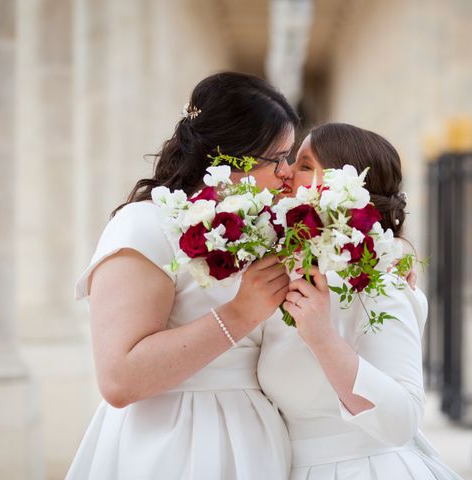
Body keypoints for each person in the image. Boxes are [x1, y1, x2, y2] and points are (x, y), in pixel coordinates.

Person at [66, 72, 299, 479]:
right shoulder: (144, 226)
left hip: (259, 445)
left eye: (290, 157)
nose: (288, 172)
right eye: (277, 158)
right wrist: (240, 314)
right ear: (229, 157)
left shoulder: (267, 230)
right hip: (173, 444)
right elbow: (119, 379)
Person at [258, 123, 463, 479]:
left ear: (344, 187)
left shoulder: (379, 281)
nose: (288, 172)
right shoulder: (291, 266)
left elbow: (403, 418)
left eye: (305, 165)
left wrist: (322, 338)